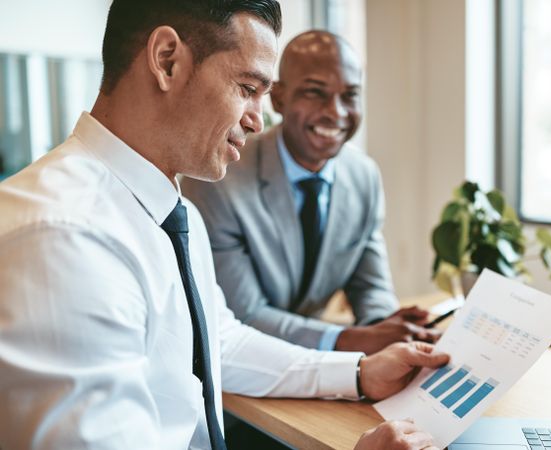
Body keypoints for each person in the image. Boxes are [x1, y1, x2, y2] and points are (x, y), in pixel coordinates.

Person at [0, 1, 448, 449]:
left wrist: (358, 372)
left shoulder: (173, 213)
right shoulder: (63, 238)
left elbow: (219, 342)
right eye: (247, 87)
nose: (257, 119)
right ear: (166, 61)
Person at [182, 31, 440, 355]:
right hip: (238, 373)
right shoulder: (220, 179)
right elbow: (243, 315)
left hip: (320, 367)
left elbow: (370, 286)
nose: (336, 112)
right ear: (279, 99)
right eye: (315, 93)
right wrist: (347, 340)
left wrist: (388, 328)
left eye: (350, 95)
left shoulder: (364, 176)